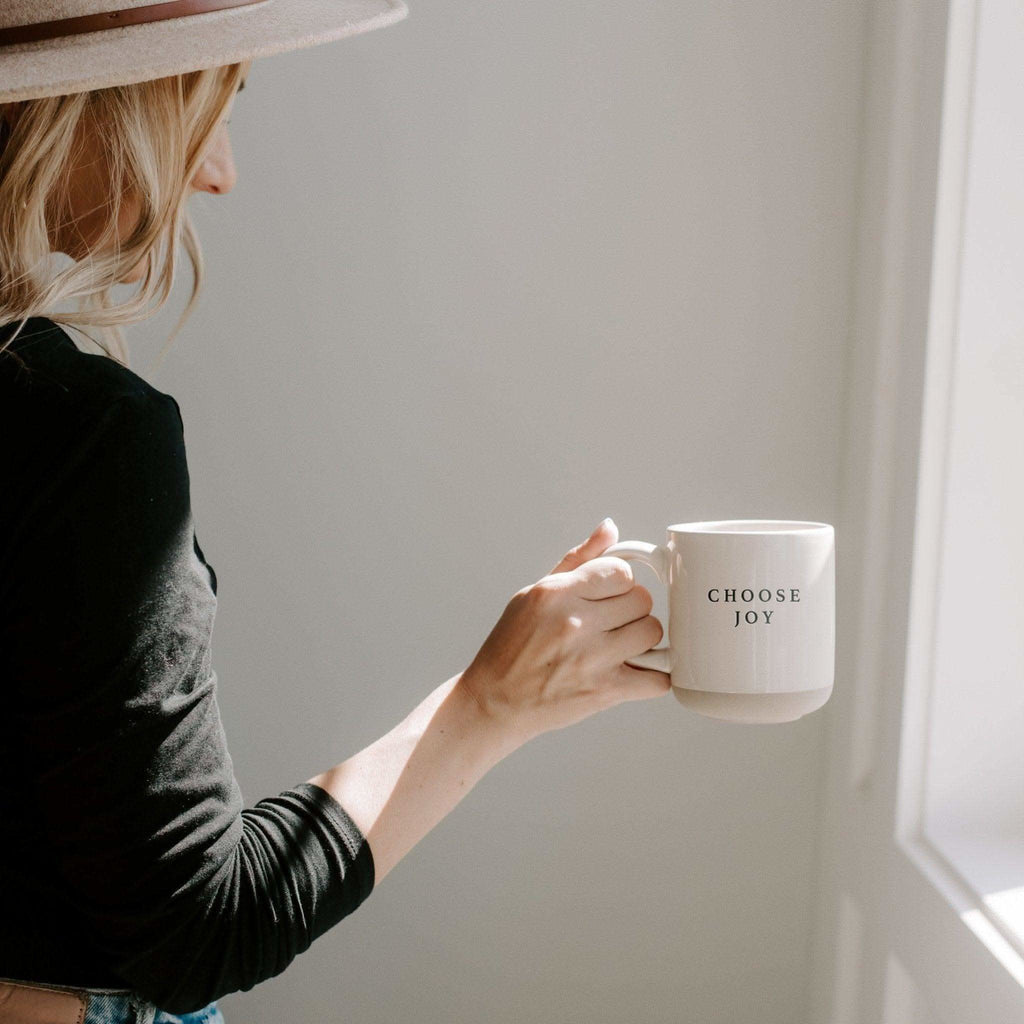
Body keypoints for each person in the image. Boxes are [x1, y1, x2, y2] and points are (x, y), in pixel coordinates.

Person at [0, 4, 672, 1023]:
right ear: (81, 104)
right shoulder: (77, 435)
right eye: (210, 104)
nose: (219, 171)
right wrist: (487, 705)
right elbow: (198, 931)